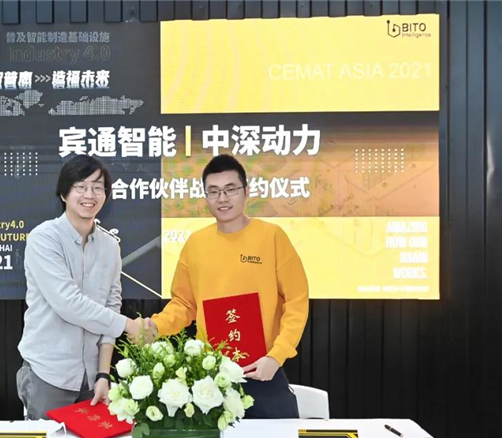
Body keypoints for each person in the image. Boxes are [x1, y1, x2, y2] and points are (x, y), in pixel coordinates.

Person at [146, 154, 309, 418]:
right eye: (214, 191)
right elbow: (184, 303)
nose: (222, 198)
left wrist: (277, 355)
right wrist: (156, 326)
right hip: (209, 375)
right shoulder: (196, 244)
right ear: (205, 197)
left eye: (230, 189)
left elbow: (296, 302)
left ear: (246, 192)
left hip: (263, 369)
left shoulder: (272, 237)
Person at [17, 155, 143, 420]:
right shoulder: (44, 238)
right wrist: (129, 325)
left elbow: (110, 307)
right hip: (48, 376)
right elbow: (68, 304)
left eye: (97, 187)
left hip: (91, 381)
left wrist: (103, 374)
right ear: (64, 193)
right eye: (81, 186)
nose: (90, 195)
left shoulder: (110, 246)